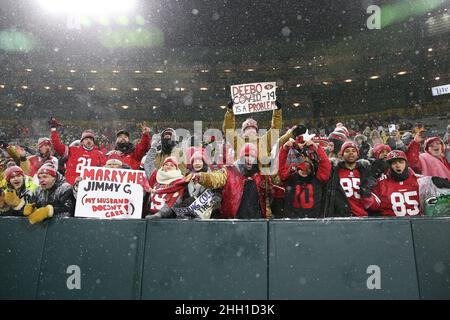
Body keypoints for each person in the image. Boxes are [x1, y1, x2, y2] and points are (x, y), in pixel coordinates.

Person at [190, 143, 272, 219]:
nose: (249, 159)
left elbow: (269, 195)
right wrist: (202, 177)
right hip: (232, 221)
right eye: (246, 156)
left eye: (252, 156)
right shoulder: (229, 171)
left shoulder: (262, 176)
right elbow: (215, 178)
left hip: (258, 222)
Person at [363, 150, 450, 216]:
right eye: (394, 163)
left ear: (406, 164)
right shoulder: (381, 183)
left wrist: (437, 184)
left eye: (401, 162)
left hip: (417, 224)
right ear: (389, 166)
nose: (398, 165)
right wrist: (367, 195)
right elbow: (374, 206)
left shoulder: (422, 181)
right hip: (391, 225)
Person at [278, 135, 331, 218]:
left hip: (314, 222)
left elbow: (326, 165)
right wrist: (284, 149)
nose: (304, 164)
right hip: (292, 223)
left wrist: (317, 148)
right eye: (301, 160)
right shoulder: (289, 177)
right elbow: (281, 169)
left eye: (307, 161)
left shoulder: (317, 178)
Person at [223, 99, 282, 167]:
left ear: (256, 132)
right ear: (243, 132)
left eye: (252, 128)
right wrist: (230, 111)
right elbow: (228, 130)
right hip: (242, 176)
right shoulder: (237, 141)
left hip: (262, 176)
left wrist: (277, 111)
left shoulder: (265, 140)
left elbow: (275, 129)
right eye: (248, 129)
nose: (250, 130)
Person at [49, 117, 106, 185]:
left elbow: (105, 170)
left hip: (89, 188)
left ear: (93, 142)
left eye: (91, 139)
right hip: (71, 185)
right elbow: (57, 146)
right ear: (81, 142)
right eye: (86, 139)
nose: (89, 141)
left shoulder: (99, 154)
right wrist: (53, 130)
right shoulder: (72, 150)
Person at [323, 141, 371, 217]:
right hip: (341, 216)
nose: (351, 153)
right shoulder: (335, 171)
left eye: (353, 151)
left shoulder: (364, 171)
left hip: (361, 214)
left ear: (358, 154)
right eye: (347, 151)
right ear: (342, 154)